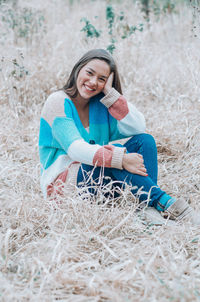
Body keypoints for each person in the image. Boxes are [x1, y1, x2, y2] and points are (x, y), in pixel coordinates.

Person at [39, 48, 199, 225]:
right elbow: (75, 149)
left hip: (101, 182)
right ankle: (165, 202)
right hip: (67, 189)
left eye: (102, 79)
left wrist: (111, 94)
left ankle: (147, 208)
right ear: (78, 69)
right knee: (113, 155)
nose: (93, 82)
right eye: (89, 73)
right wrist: (120, 159)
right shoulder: (57, 101)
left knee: (144, 141)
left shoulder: (100, 105)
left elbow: (138, 126)